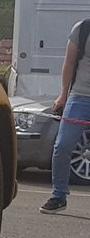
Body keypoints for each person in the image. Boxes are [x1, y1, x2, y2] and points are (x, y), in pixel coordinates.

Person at [41, 19, 90, 213]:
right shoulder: (82, 29)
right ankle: (59, 195)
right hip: (80, 96)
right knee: (62, 146)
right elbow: (69, 62)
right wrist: (63, 95)